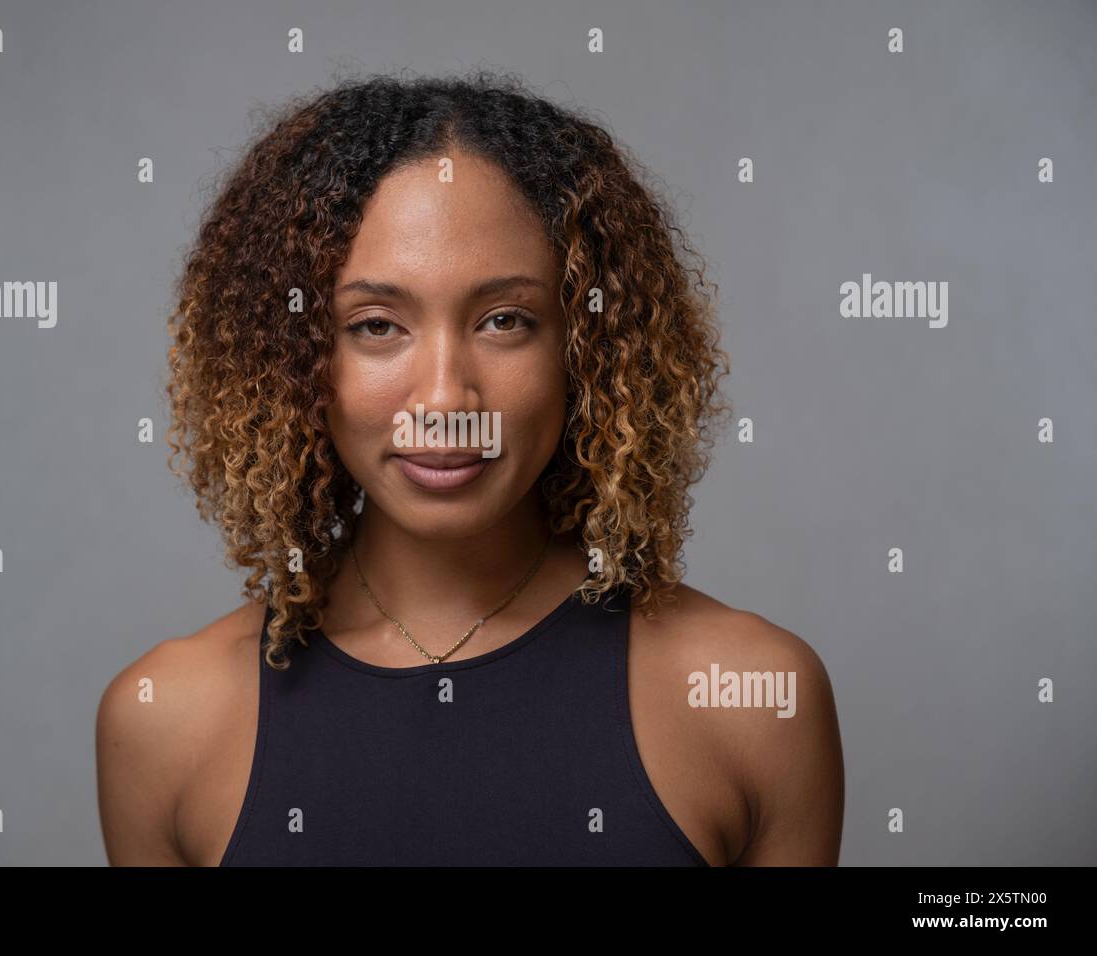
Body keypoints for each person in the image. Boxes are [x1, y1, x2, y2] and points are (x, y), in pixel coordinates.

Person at [96, 70, 844, 866]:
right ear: (288, 361)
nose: (448, 396)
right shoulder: (163, 722)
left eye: (505, 320)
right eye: (376, 325)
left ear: (584, 351)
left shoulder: (755, 700)